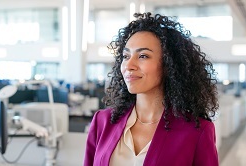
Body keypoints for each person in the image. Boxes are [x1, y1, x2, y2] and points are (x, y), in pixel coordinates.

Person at [84, 12, 219, 166]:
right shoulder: (103, 121)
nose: (129, 65)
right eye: (126, 56)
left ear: (168, 65)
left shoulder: (196, 131)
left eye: (143, 56)